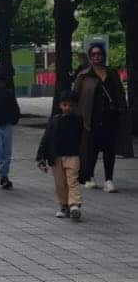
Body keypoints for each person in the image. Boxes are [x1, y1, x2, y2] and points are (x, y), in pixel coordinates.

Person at [73, 42, 131, 192]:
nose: (96, 57)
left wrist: (122, 111)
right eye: (93, 54)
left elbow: (119, 94)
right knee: (91, 149)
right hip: (91, 118)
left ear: (103, 56)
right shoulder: (84, 75)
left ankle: (108, 179)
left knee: (109, 149)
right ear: (89, 57)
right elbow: (76, 97)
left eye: (99, 54)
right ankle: (90, 176)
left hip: (110, 117)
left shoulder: (112, 74)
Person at [37, 88, 84, 222]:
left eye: (71, 105)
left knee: (72, 181)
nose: (68, 108)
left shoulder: (78, 120)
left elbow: (84, 140)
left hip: (73, 155)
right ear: (60, 105)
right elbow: (46, 139)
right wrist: (40, 157)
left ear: (75, 106)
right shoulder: (55, 120)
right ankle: (64, 206)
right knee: (60, 183)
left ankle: (74, 205)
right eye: (65, 105)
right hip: (56, 157)